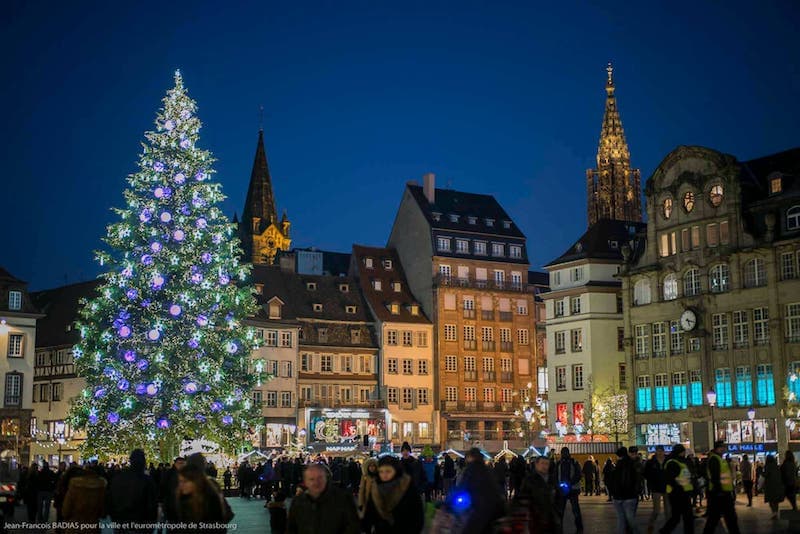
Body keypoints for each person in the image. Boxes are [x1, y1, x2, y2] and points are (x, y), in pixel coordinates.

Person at [287, 463, 360, 534]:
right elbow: (291, 528)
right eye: (311, 479)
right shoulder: (298, 502)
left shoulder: (343, 499)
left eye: (320, 478)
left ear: (326, 478)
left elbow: (353, 527)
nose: (316, 482)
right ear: (305, 482)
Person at [450, 447, 505, 534]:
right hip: (494, 509)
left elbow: (462, 488)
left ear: (471, 457)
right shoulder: (487, 469)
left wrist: (449, 501)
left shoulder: (470, 470)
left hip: (478, 510)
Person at [363, 455, 423, 534]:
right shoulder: (375, 488)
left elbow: (417, 514)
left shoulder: (407, 486)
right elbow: (370, 512)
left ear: (396, 470)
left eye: (388, 471)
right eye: (381, 471)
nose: (384, 475)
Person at [106, 449, 158, 534]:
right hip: (141, 525)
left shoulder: (117, 479)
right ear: (143, 462)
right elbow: (152, 507)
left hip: (121, 524)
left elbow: (110, 502)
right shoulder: (147, 481)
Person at [513, 455, 560, 533]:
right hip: (535, 519)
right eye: (542, 463)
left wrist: (558, 511)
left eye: (547, 464)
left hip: (551, 519)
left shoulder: (552, 480)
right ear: (536, 465)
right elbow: (522, 498)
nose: (544, 466)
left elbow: (558, 497)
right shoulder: (530, 480)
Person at [702, 441, 740, 534]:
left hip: (723, 493)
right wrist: (719, 491)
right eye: (721, 447)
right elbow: (715, 477)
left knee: (720, 518)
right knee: (723, 518)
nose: (723, 449)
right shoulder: (714, 459)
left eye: (724, 447)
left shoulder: (720, 459)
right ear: (717, 448)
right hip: (719, 494)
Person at [175, 464, 226, 534]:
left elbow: (218, 525)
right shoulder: (179, 497)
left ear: (196, 482)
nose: (181, 485)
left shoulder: (210, 498)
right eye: (180, 481)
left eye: (185, 482)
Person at [61, 465, 107, 534]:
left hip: (75, 527)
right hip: (92, 527)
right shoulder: (101, 487)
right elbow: (103, 513)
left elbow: (65, 511)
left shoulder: (75, 486)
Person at [659, 444, 694, 534]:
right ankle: (664, 531)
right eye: (683, 452)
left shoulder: (680, 461)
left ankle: (664, 531)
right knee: (685, 517)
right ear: (680, 452)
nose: (684, 453)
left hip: (681, 493)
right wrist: (681, 487)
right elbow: (672, 479)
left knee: (678, 517)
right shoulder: (672, 462)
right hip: (678, 494)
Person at [610, 446, 641, 534]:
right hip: (630, 495)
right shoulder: (632, 464)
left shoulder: (617, 465)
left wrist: (613, 492)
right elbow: (636, 479)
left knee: (621, 519)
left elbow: (612, 480)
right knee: (629, 517)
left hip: (620, 496)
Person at [553, 447, 583, 533]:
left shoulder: (560, 463)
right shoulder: (572, 462)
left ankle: (561, 529)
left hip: (567, 489)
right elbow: (578, 475)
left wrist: (559, 485)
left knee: (563, 511)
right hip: (570, 489)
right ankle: (579, 529)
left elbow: (555, 476)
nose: (564, 454)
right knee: (574, 511)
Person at [644, 445, 669, 534]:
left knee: (668, 510)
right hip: (656, 488)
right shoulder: (651, 462)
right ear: (655, 452)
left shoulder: (668, 461)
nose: (660, 453)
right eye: (658, 451)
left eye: (661, 451)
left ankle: (667, 528)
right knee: (656, 510)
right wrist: (651, 482)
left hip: (667, 487)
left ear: (663, 451)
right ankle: (651, 524)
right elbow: (646, 474)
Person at [160, 456, 186, 525]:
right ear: (175, 464)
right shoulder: (169, 473)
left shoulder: (186, 474)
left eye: (183, 464)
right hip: (170, 503)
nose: (181, 465)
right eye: (179, 463)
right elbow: (163, 487)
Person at [763, 454, 785, 519]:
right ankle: (775, 512)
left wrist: (761, 472)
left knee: (771, 500)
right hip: (778, 485)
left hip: (770, 485)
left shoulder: (768, 467)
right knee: (776, 500)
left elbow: (765, 475)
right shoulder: (776, 466)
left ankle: (774, 513)